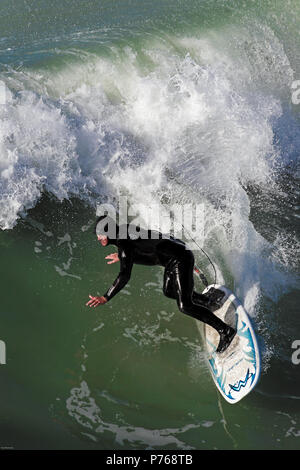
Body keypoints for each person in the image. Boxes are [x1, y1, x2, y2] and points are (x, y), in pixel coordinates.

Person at [86, 216, 236, 353]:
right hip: (176, 256)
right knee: (169, 291)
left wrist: (105, 297)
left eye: (100, 234)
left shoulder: (124, 245)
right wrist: (122, 256)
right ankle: (208, 301)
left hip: (180, 258)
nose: (98, 238)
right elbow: (154, 243)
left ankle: (225, 331)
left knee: (185, 306)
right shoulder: (125, 232)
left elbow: (124, 276)